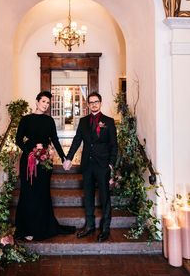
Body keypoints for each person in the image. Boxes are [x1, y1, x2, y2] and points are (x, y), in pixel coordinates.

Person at [15, 90, 75, 241]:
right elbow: (18, 140)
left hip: (44, 162)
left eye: (48, 103)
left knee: (42, 193)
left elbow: (54, 140)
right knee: (28, 194)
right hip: (29, 161)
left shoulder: (49, 121)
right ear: (36, 101)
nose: (46, 105)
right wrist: (32, 152)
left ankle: (42, 227)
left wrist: (64, 157)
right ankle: (27, 229)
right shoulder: (26, 119)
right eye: (43, 102)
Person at [66, 92, 118, 242]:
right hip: (87, 165)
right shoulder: (83, 122)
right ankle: (89, 226)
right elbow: (77, 141)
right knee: (88, 196)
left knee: (104, 198)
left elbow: (114, 145)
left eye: (96, 101)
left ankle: (105, 228)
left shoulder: (109, 121)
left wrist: (111, 164)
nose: (94, 104)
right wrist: (69, 158)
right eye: (91, 102)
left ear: (100, 103)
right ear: (88, 105)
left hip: (103, 166)